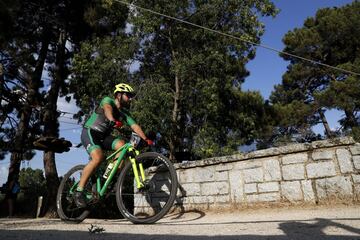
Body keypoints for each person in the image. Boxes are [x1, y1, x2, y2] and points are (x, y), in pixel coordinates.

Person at [75, 83, 153, 208]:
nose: (131, 98)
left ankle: (108, 177)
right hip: (90, 132)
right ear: (119, 95)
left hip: (104, 137)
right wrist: (112, 120)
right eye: (128, 95)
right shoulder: (108, 100)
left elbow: (134, 126)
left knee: (123, 145)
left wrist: (146, 139)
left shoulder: (124, 113)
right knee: (98, 157)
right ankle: (79, 191)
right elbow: (107, 109)